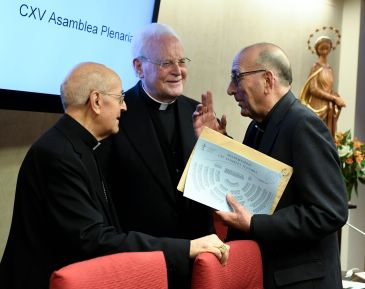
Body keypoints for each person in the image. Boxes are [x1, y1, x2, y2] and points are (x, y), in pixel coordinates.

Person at [0, 62, 229, 289]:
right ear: (97, 101)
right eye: (120, 98)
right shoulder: (58, 155)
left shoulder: (82, 146)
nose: (125, 107)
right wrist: (185, 248)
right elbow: (93, 239)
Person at [208, 43, 347, 289]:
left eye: (236, 78)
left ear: (268, 80)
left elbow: (329, 212)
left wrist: (254, 224)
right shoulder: (257, 125)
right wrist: (219, 143)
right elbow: (252, 180)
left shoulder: (303, 125)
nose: (231, 89)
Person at [101, 23, 226, 288]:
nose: (178, 71)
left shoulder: (199, 113)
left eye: (181, 61)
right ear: (138, 67)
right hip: (143, 265)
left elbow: (227, 188)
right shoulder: (115, 116)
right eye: (166, 62)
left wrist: (215, 145)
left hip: (199, 264)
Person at [300, 36, 346, 137]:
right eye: (322, 48)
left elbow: (328, 89)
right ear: (317, 49)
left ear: (330, 49)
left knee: (327, 135)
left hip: (328, 107)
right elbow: (313, 89)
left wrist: (337, 97)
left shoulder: (329, 69)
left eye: (327, 48)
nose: (325, 51)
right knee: (316, 134)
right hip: (317, 106)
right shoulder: (316, 67)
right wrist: (334, 98)